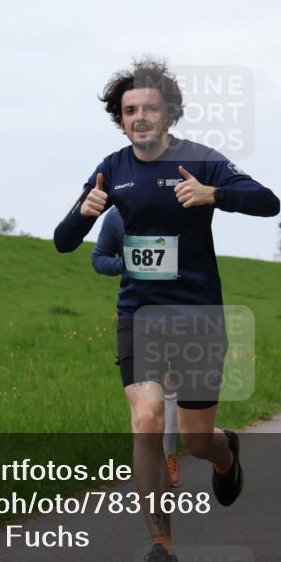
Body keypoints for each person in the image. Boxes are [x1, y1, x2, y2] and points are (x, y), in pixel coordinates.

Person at [54, 57, 280, 562]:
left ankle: (226, 454)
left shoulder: (201, 160)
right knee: (148, 417)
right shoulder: (112, 167)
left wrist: (215, 195)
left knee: (197, 441)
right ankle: (162, 550)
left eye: (150, 107)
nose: (140, 117)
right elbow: (64, 241)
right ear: (120, 117)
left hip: (199, 314)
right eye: (130, 110)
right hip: (141, 315)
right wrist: (85, 213)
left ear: (169, 112)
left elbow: (268, 203)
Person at [92, 206, 182, 489]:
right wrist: (126, 265)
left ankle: (170, 453)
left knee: (171, 384)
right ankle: (157, 463)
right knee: (147, 399)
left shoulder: (178, 210)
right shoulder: (116, 217)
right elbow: (99, 259)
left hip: (178, 310)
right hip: (136, 315)